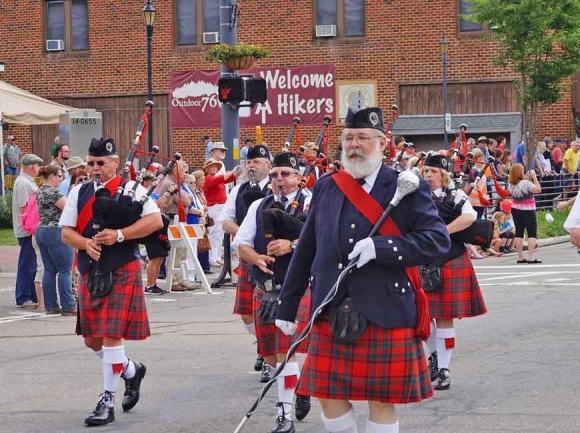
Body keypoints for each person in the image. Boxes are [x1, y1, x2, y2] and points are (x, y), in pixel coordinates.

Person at [276, 107, 451, 433]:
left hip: (386, 308)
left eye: (363, 138)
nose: (354, 144)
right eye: (349, 138)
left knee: (381, 401)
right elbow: (306, 251)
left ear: (382, 143)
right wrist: (288, 304)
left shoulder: (406, 185)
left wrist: (382, 248)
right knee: (327, 396)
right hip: (330, 307)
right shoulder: (328, 187)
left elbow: (436, 241)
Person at [60, 137, 163, 426]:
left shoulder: (131, 189)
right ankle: (131, 370)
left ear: (115, 163)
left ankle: (107, 399)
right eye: (91, 163)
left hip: (121, 266)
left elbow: (155, 222)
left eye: (101, 163)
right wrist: (84, 243)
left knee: (111, 333)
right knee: (92, 340)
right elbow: (66, 232)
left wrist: (119, 235)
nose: (95, 168)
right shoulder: (79, 192)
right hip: (90, 269)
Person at [236, 152, 313, 433]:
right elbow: (242, 243)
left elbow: (325, 239)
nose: (280, 179)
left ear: (299, 177)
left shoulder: (313, 202)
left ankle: (284, 416)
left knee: (285, 352)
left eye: (286, 174)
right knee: (270, 356)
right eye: (276, 175)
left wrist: (291, 245)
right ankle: (301, 386)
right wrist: (255, 258)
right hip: (265, 289)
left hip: (298, 288)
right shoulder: (258, 205)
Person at [420, 153, 487, 391]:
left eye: (433, 172)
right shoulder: (415, 196)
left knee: (444, 317)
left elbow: (469, 217)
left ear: (444, 175)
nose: (428, 176)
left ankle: (444, 369)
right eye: (426, 171)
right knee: (417, 316)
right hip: (421, 259)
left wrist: (443, 231)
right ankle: (436, 354)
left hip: (450, 258)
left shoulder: (456, 196)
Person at [220, 144, 272, 373]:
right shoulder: (237, 190)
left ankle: (270, 354)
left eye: (257, 162)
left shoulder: (278, 185)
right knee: (245, 311)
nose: (251, 166)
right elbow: (226, 221)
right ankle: (262, 344)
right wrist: (245, 232)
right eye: (248, 162)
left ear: (268, 165)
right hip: (248, 254)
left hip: (273, 256)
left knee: (271, 308)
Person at [35, 164, 76, 315]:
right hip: (56, 231)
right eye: (59, 176)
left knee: (49, 270)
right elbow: (68, 209)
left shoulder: (39, 191)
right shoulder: (53, 192)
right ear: (51, 176)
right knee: (65, 270)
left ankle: (51, 306)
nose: (61, 178)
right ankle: (68, 306)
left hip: (41, 230)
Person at [154, 160, 197, 292]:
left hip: (180, 219)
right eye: (182, 169)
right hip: (173, 219)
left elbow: (188, 200)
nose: (184, 172)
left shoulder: (178, 183)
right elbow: (185, 200)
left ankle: (180, 279)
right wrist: (188, 198)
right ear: (174, 170)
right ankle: (173, 280)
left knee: (182, 252)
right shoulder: (169, 183)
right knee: (175, 252)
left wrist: (188, 198)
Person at [13, 154, 43, 308]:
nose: (39, 168)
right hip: (27, 230)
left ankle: (31, 294)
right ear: (32, 166)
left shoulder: (26, 181)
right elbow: (26, 209)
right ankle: (23, 296)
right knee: (27, 264)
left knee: (32, 264)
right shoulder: (24, 183)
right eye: (38, 165)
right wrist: (32, 228)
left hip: (29, 229)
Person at [203, 157, 242, 267]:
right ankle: (212, 258)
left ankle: (216, 257)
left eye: (215, 166)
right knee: (214, 234)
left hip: (220, 207)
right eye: (211, 166)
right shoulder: (208, 179)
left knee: (220, 234)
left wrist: (237, 173)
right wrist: (234, 170)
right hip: (214, 207)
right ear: (206, 169)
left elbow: (228, 179)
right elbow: (223, 178)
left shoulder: (215, 178)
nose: (214, 168)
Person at [508, 163, 542, 264]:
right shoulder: (526, 183)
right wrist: (534, 177)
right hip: (528, 210)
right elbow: (538, 190)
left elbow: (520, 185)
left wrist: (526, 179)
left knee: (519, 232)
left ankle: (520, 256)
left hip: (515, 209)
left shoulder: (510, 183)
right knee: (532, 233)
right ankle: (531, 256)